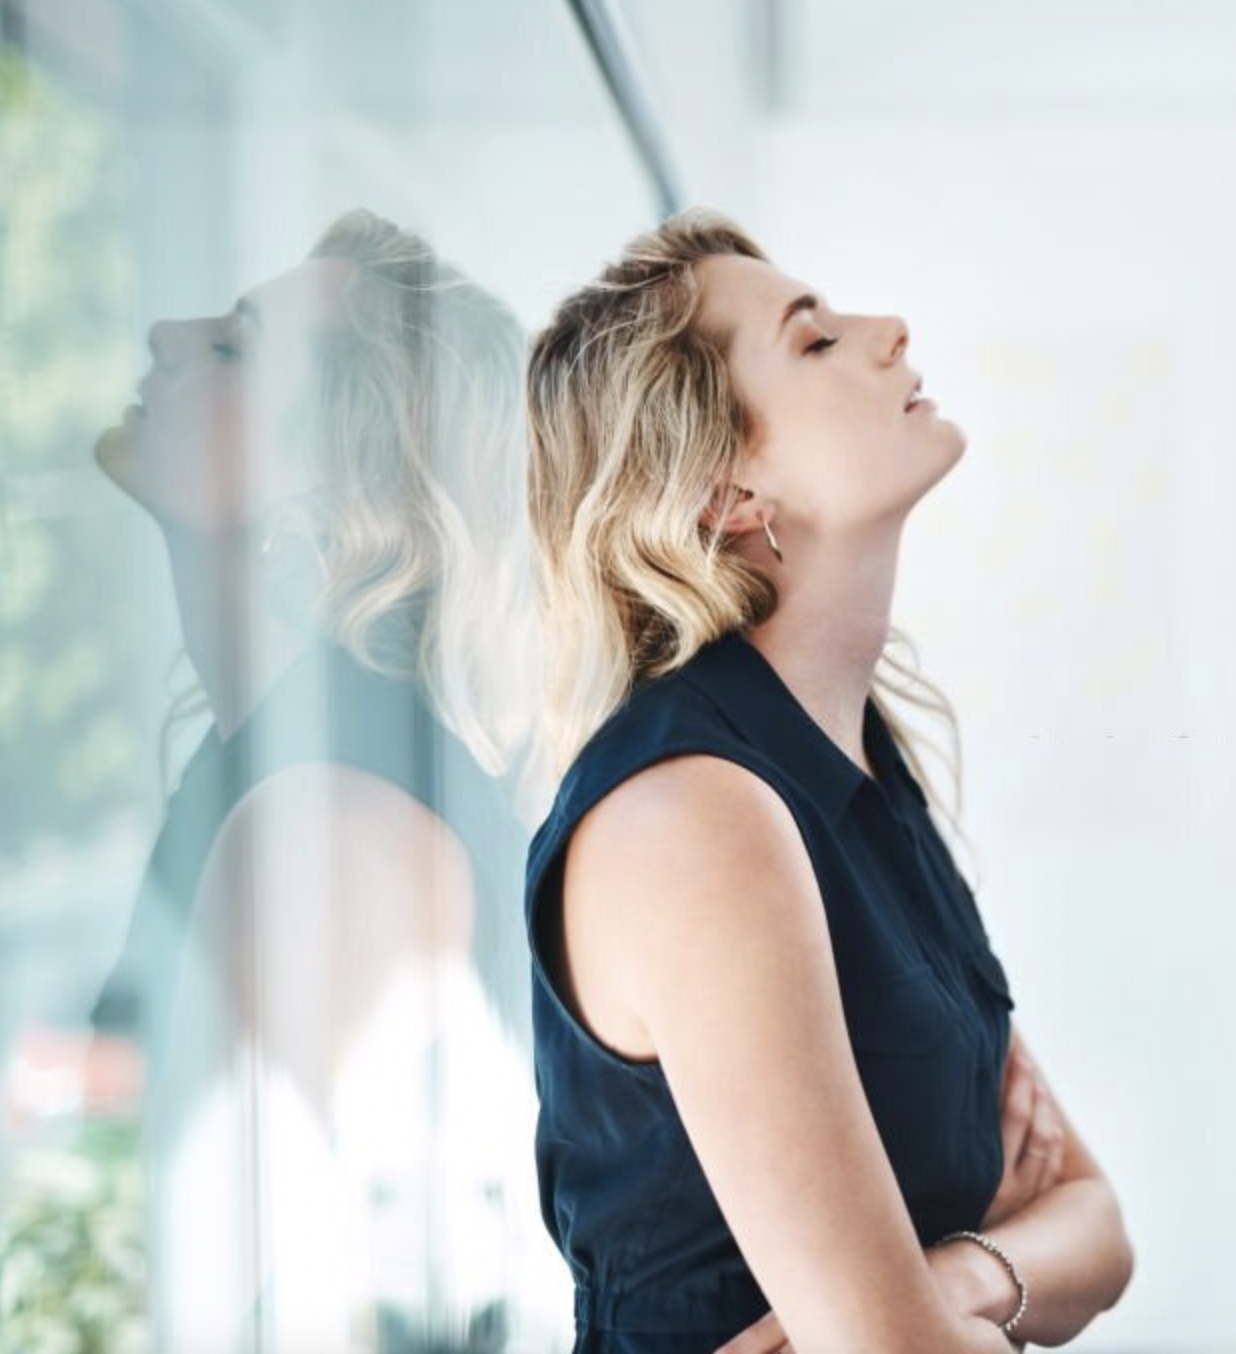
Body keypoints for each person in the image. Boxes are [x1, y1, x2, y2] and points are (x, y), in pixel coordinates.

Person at [522, 206, 1137, 1354]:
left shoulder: (862, 760)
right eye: (813, 340)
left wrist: (959, 1280)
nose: (889, 328)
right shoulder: (694, 814)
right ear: (728, 493)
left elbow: (1099, 1227)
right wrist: (971, 1295)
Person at [85, 208, 552, 1353]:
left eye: (233, 348)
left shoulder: (335, 818)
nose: (165, 333)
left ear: (329, 491)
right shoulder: (292, 760)